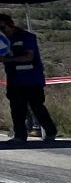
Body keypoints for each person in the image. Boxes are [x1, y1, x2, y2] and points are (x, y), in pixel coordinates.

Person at [0, 13, 58, 144]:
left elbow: (29, 57)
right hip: (14, 80)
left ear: (11, 25)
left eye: (2, 27)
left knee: (37, 106)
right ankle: (20, 136)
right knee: (17, 109)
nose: (1, 31)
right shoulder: (3, 41)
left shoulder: (26, 37)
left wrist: (7, 59)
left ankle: (50, 131)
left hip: (31, 79)